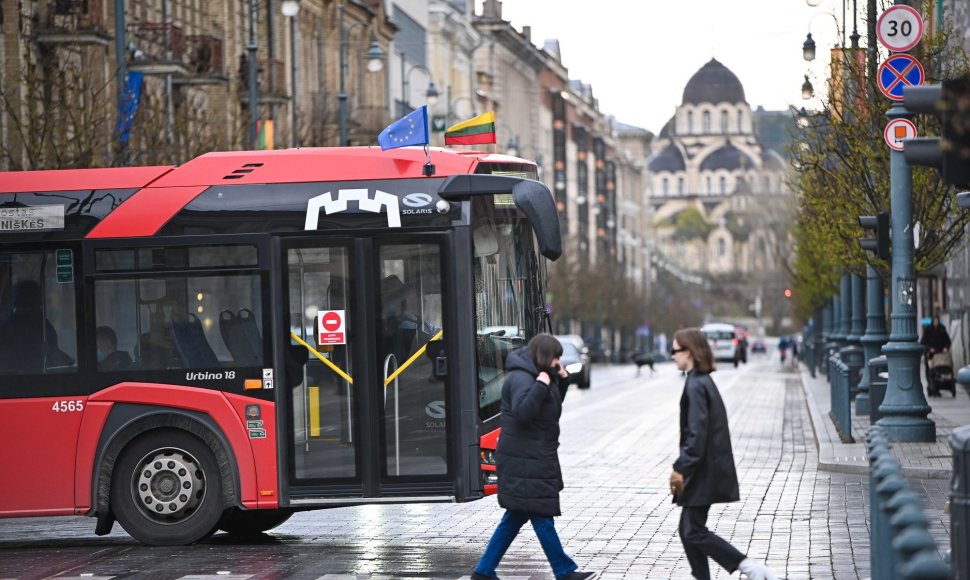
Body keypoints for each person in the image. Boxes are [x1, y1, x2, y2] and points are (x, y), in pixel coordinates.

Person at [471, 333, 597, 580]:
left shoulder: (540, 376)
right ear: (544, 355)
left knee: (516, 516)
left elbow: (548, 411)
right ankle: (564, 571)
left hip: (532, 456)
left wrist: (562, 381)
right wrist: (542, 384)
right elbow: (524, 412)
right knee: (541, 514)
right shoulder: (521, 377)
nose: (557, 362)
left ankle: (484, 571)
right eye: (556, 357)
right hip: (524, 459)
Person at [669, 328, 778, 580]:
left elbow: (697, 435)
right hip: (705, 468)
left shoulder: (696, 384)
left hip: (701, 470)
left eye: (675, 350)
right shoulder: (700, 380)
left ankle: (750, 568)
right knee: (689, 530)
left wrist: (680, 468)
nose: (672, 355)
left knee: (693, 531)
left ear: (689, 352)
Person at [920, 314, 951, 397]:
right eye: (934, 321)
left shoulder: (942, 330)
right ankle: (931, 386)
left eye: (937, 321)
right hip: (930, 355)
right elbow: (923, 342)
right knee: (930, 371)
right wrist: (929, 349)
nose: (936, 323)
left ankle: (936, 388)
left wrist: (946, 347)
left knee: (939, 371)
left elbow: (947, 341)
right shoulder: (928, 330)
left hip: (940, 355)